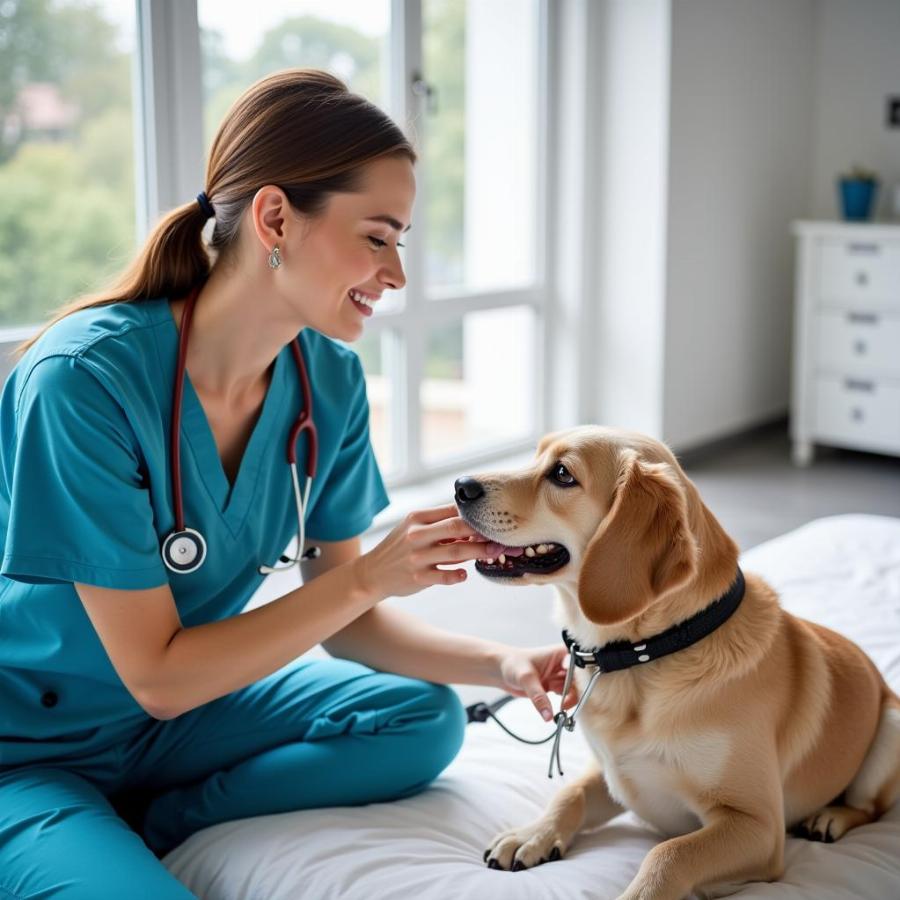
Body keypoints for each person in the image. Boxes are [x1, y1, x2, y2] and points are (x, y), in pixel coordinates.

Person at [0, 68, 572, 898]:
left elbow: (351, 627)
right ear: (274, 217)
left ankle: (155, 822)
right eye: (377, 237)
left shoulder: (326, 385)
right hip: (31, 744)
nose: (397, 275)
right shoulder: (82, 381)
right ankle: (68, 834)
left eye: (401, 242)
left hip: (173, 723)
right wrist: (371, 574)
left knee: (420, 717)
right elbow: (158, 676)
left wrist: (506, 664)